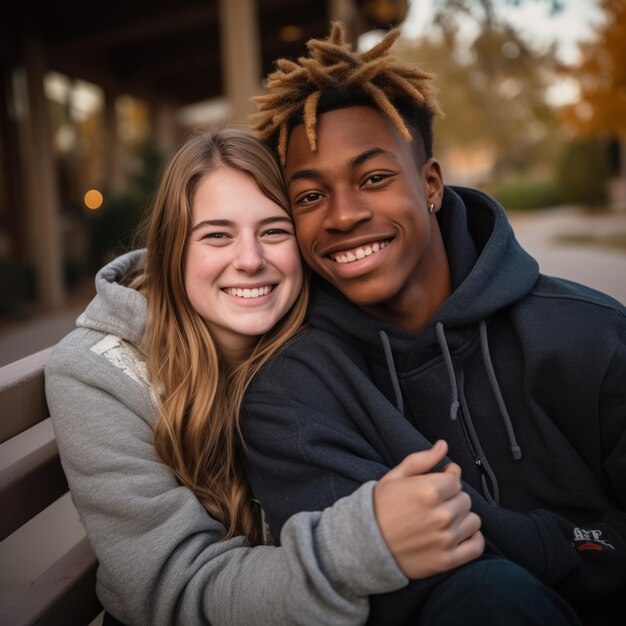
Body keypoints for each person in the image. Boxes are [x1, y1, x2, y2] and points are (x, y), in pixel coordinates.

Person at [241, 21, 626, 625]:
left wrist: (555, 546)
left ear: (430, 185)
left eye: (373, 178)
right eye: (310, 197)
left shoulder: (591, 335)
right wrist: (571, 542)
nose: (342, 215)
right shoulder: (292, 394)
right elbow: (396, 586)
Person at [45, 127, 494, 626]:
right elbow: (168, 587)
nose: (251, 260)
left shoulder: (327, 337)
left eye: (274, 230)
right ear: (174, 247)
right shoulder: (98, 370)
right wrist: (361, 545)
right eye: (217, 234)